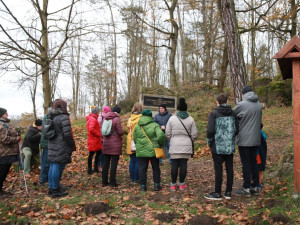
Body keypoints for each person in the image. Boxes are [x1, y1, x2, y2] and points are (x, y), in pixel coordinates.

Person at [204, 94, 239, 200]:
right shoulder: (233, 113)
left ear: (217, 102)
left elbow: (210, 131)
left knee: (218, 169)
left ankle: (218, 193)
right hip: (229, 146)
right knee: (229, 169)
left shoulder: (214, 114)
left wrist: (210, 142)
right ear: (227, 101)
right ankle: (228, 192)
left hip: (217, 146)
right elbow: (237, 130)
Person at [233, 85, 262, 196]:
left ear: (244, 94)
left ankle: (246, 188)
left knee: (246, 164)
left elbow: (231, 114)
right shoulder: (258, 105)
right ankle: (255, 186)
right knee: (254, 162)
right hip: (255, 138)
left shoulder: (241, 104)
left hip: (244, 139)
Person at [165, 98, 197, 192]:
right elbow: (194, 134)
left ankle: (173, 185)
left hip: (175, 144)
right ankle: (182, 184)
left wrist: (172, 140)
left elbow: (167, 133)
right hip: (186, 145)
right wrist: (188, 140)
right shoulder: (191, 119)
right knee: (184, 164)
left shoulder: (172, 118)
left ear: (178, 108)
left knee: (174, 165)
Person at [47, 99, 76, 198]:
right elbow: (67, 134)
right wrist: (71, 144)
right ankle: (55, 189)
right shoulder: (63, 117)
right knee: (57, 166)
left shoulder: (51, 116)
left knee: (53, 165)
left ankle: (52, 187)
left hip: (52, 144)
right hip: (61, 145)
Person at [133, 109, 166, 191]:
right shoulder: (155, 125)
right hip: (154, 150)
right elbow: (161, 136)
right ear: (151, 116)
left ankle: (143, 186)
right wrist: (161, 144)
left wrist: (139, 145)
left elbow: (135, 138)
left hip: (141, 151)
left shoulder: (137, 126)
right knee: (155, 168)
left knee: (142, 168)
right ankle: (156, 185)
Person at [101, 105, 124, 187]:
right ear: (118, 112)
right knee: (113, 164)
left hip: (106, 143)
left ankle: (104, 181)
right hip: (115, 144)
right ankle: (112, 182)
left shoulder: (105, 118)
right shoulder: (116, 119)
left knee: (106, 163)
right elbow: (120, 131)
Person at [0, 108, 19, 198]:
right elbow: (4, 139)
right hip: (4, 153)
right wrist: (16, 139)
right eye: (5, 113)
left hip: (8, 153)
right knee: (2, 172)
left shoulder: (6, 123)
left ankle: (1, 190)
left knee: (4, 172)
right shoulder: (1, 124)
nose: (7, 114)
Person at [126, 102, 143, 184]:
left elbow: (127, 129)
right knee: (138, 161)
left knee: (132, 161)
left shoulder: (130, 118)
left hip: (130, 140)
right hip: (138, 140)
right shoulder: (141, 118)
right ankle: (136, 178)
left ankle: (131, 178)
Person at [39, 102, 53, 185]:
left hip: (48, 142)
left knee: (48, 162)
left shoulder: (49, 115)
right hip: (47, 142)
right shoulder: (48, 116)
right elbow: (46, 131)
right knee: (45, 162)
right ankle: (43, 179)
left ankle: (46, 178)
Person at [86, 106, 102, 174]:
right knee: (93, 154)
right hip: (94, 140)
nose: (99, 112)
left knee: (96, 154)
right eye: (99, 111)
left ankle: (95, 169)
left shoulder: (92, 118)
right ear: (96, 112)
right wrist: (98, 134)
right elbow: (91, 129)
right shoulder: (93, 119)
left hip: (94, 140)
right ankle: (90, 170)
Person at [97, 106, 111, 172]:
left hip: (100, 137)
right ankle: (100, 166)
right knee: (102, 153)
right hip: (102, 137)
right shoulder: (104, 117)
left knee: (101, 152)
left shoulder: (100, 116)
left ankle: (99, 165)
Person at [257, 123, 267, 189]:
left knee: (258, 168)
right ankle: (258, 182)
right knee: (258, 169)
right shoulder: (262, 133)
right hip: (259, 154)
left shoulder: (259, 134)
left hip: (257, 154)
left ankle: (258, 183)